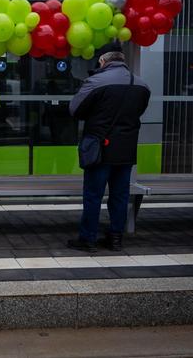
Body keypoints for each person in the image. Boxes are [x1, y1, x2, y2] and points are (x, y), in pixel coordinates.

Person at [67, 41, 151, 252]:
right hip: (126, 150)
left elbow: (75, 109)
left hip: (100, 149)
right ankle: (115, 238)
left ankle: (88, 239)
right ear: (121, 59)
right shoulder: (141, 85)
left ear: (103, 60)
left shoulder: (95, 82)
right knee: (120, 195)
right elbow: (139, 111)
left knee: (94, 194)